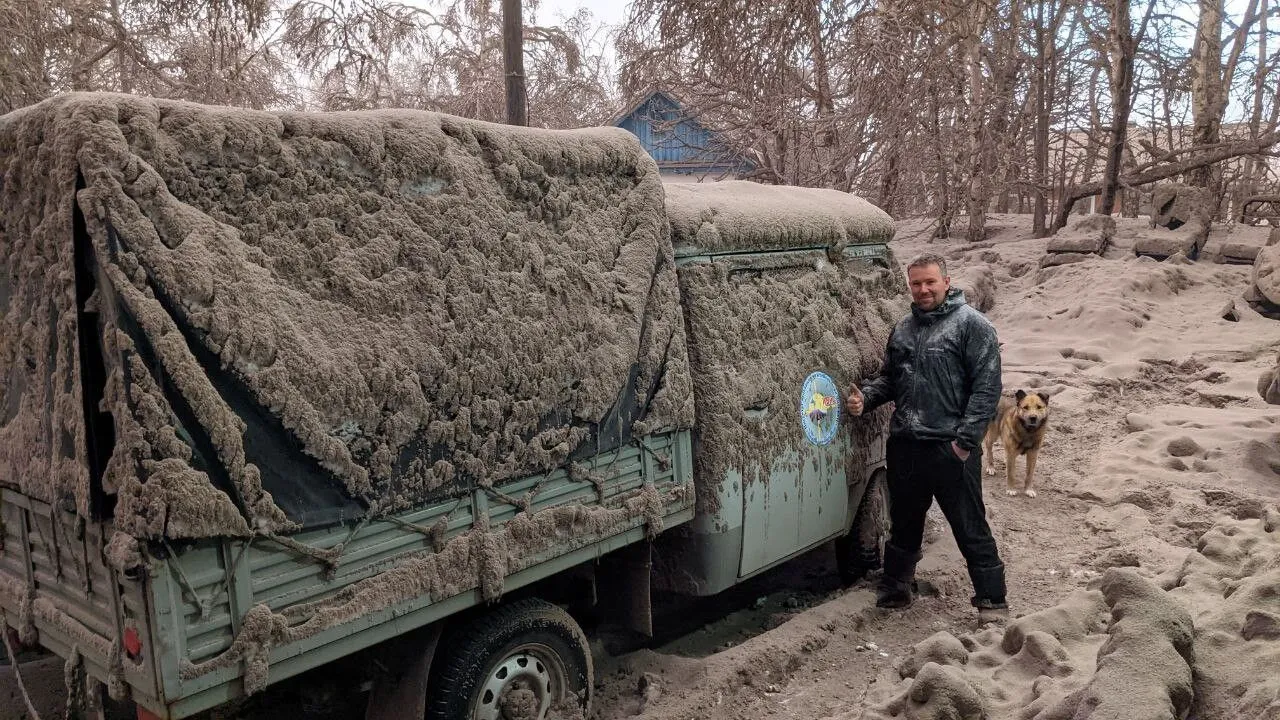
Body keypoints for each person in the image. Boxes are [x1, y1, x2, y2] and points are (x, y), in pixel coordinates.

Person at [845, 252, 1008, 621]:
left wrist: (964, 443)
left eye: (930, 282)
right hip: (906, 444)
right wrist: (865, 399)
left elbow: (987, 390)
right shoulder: (903, 328)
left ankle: (992, 602)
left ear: (946, 282)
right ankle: (898, 588)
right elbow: (891, 378)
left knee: (969, 525)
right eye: (916, 283)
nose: (923, 289)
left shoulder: (973, 326)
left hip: (950, 447)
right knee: (904, 523)